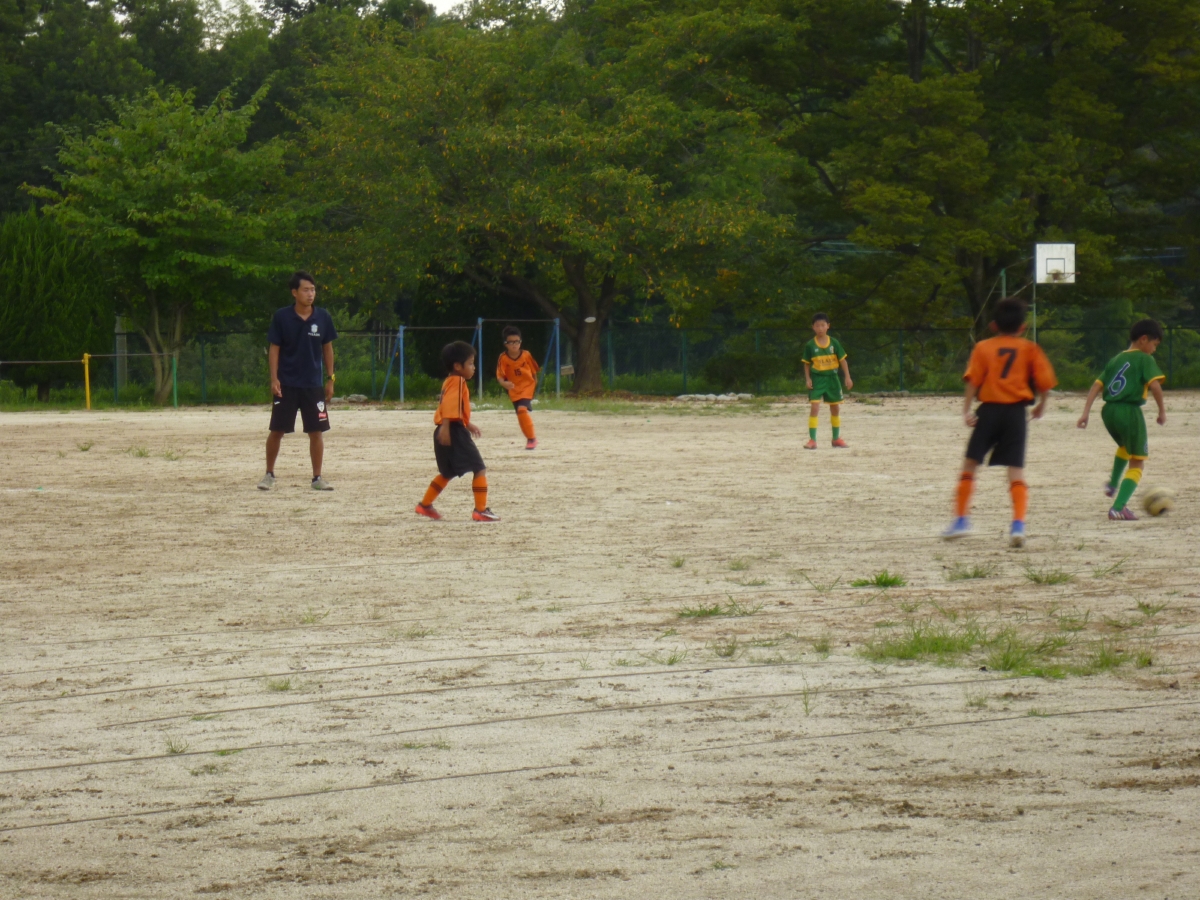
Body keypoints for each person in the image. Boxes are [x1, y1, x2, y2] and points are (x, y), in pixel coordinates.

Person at [943, 298, 1057, 547]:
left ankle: (961, 520)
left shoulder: (983, 347)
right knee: (1015, 470)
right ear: (1022, 327)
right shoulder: (1030, 348)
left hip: (990, 412)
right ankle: (1018, 526)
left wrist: (966, 410)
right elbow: (1045, 382)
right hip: (1016, 414)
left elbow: (973, 380)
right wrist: (1041, 405)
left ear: (993, 325)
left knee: (971, 463)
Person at [1076, 319, 1167, 520]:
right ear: (1144, 339)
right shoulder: (1144, 359)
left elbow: (1096, 386)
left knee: (1125, 446)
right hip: (1129, 411)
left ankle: (1112, 484)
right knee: (1138, 462)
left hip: (1108, 412)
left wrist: (1085, 413)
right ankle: (1118, 507)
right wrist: (1162, 411)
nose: (1154, 350)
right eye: (1155, 345)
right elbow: (1155, 386)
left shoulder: (1116, 359)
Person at [259, 272, 337, 491]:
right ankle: (269, 474)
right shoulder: (282, 317)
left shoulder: (323, 317)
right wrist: (274, 378)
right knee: (277, 430)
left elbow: (328, 348)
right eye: (306, 290)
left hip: (313, 385)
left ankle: (317, 478)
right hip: (287, 383)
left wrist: (330, 379)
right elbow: (274, 349)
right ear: (294, 292)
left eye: (313, 289)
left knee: (316, 431)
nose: (310, 294)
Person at [415, 341, 500, 522]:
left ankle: (425, 505)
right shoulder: (459, 381)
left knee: (447, 472)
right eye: (470, 363)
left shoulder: (449, 381)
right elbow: (450, 405)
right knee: (479, 468)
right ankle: (480, 510)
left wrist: (467, 424)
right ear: (457, 366)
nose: (473, 367)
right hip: (453, 431)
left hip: (445, 429)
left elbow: (452, 407)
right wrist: (447, 428)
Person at [801, 313, 853, 449]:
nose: (820, 328)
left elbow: (843, 360)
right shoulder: (810, 345)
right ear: (813, 327)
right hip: (817, 379)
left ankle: (836, 439)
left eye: (823, 325)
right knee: (814, 407)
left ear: (828, 326)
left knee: (835, 408)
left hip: (832, 379)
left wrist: (847, 377)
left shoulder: (834, 343)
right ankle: (812, 440)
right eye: (817, 326)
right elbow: (806, 363)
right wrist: (808, 379)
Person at [495, 325, 541, 449]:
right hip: (514, 389)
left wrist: (534, 384)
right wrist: (504, 383)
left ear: (520, 342)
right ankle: (529, 438)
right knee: (520, 414)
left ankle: (532, 439)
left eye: (517, 342)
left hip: (527, 386)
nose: (514, 345)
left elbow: (534, 371)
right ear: (506, 344)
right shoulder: (503, 358)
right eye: (511, 342)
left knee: (521, 410)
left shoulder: (526, 355)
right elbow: (500, 375)